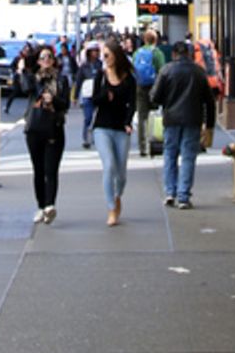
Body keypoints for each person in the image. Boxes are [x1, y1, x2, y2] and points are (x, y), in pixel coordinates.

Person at [149, 39, 216, 209]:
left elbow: (154, 97)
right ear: (188, 54)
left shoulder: (166, 70)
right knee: (188, 157)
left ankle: (170, 192)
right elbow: (210, 101)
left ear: (173, 54)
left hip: (171, 119)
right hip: (193, 119)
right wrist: (209, 124)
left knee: (169, 154)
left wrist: (166, 101)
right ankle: (183, 196)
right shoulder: (199, 72)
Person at [92, 37, 137, 225]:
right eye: (103, 56)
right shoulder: (100, 76)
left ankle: (118, 196)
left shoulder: (129, 79)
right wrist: (105, 96)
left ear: (116, 56)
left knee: (121, 174)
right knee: (109, 165)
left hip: (121, 128)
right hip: (102, 127)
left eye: (107, 55)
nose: (105, 59)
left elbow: (132, 104)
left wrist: (128, 122)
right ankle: (111, 207)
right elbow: (94, 100)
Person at [23, 43, 70, 224]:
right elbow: (25, 89)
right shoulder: (33, 79)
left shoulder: (61, 80)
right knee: (38, 169)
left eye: (49, 56)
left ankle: (50, 205)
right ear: (38, 61)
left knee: (51, 169)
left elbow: (65, 104)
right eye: (43, 57)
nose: (47, 60)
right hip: (35, 129)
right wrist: (23, 71)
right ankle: (41, 206)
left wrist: (54, 99)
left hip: (54, 128)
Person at [132, 28, 166, 156]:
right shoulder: (158, 53)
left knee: (142, 116)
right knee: (157, 114)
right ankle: (155, 143)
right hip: (155, 87)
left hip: (140, 87)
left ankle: (143, 147)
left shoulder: (137, 53)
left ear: (144, 39)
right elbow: (162, 71)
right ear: (155, 40)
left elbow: (133, 70)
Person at [77, 42, 103, 149]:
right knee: (88, 117)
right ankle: (86, 139)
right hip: (87, 94)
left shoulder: (101, 65)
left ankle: (96, 138)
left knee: (98, 118)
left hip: (99, 94)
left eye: (97, 51)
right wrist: (75, 96)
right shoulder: (84, 66)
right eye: (93, 51)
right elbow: (78, 81)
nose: (95, 53)